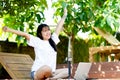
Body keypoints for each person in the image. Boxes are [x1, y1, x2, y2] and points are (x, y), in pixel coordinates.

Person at [2, 8, 68, 80]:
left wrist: (64, 15)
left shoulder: (53, 40)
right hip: (37, 73)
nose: (48, 32)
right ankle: (54, 78)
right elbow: (25, 34)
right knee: (47, 68)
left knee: (68, 70)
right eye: (45, 31)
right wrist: (9, 29)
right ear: (40, 34)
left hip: (51, 73)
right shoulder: (37, 41)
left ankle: (52, 78)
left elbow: (59, 26)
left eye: (48, 30)